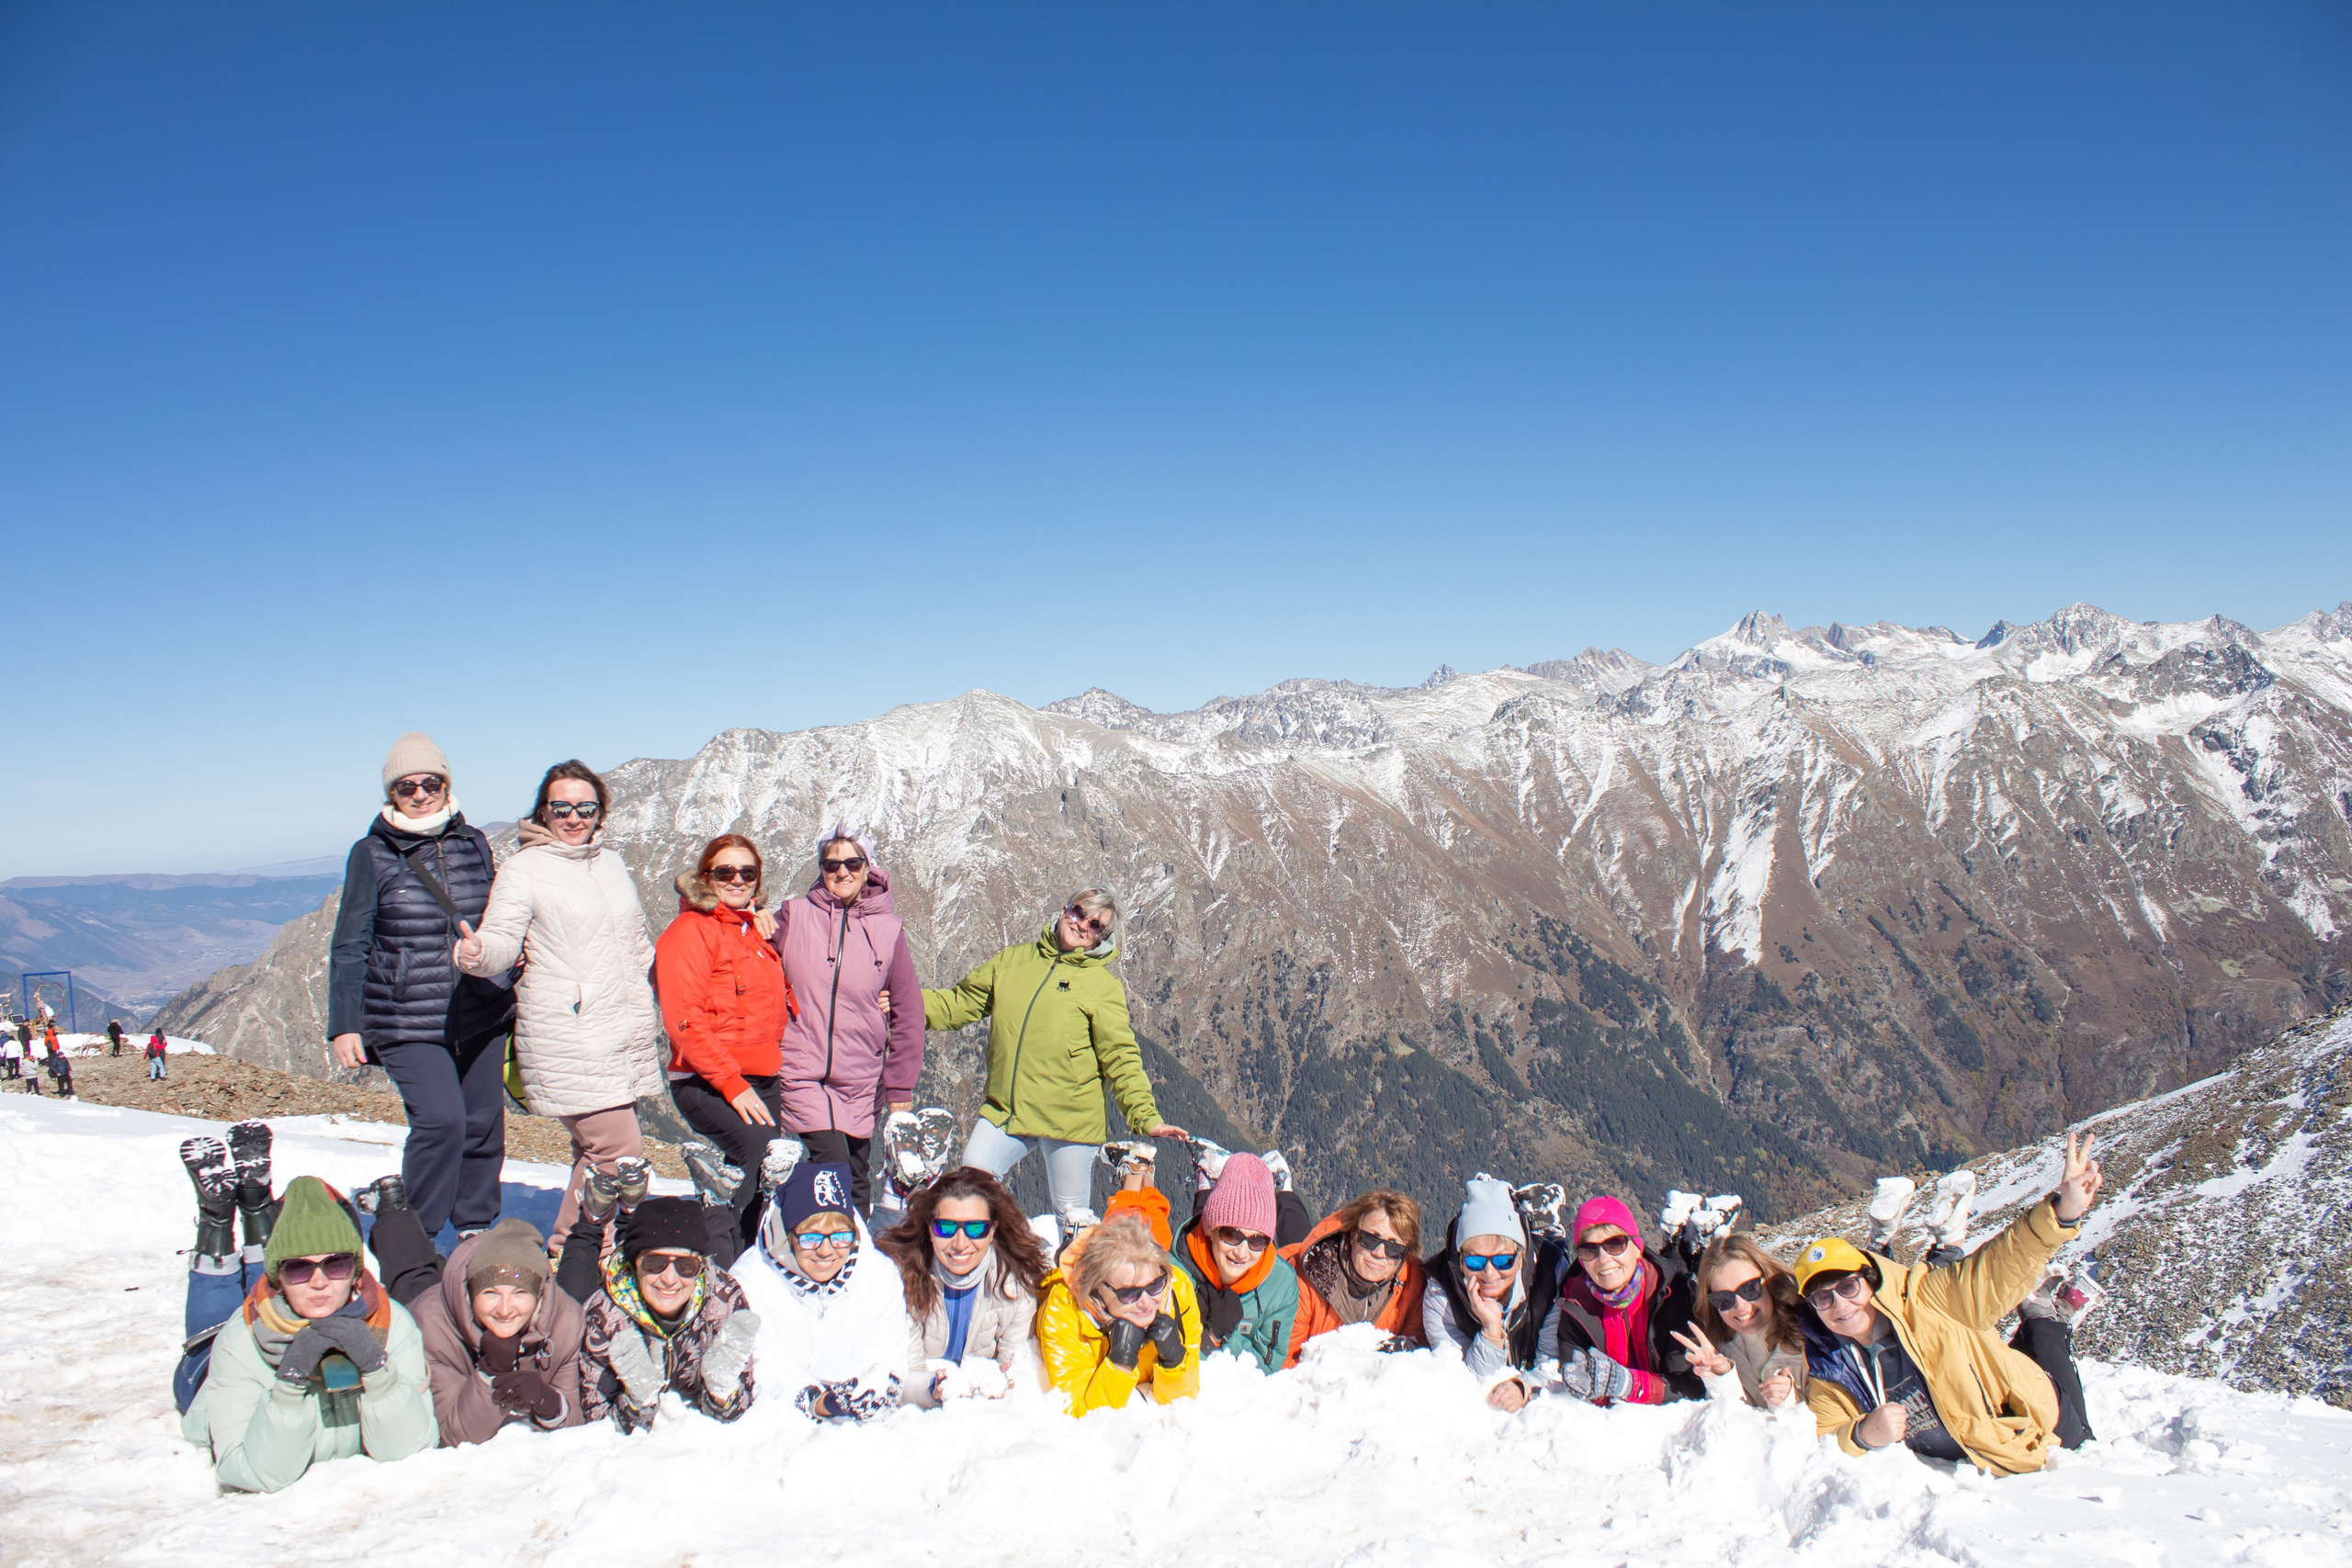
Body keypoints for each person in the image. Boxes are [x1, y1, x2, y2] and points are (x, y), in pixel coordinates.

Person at [1798, 1131, 2104, 1474]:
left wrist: (2063, 1212)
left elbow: (1998, 1265)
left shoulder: (1931, 1298)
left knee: (2087, 1447)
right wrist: (1862, 1433)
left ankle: (2046, 1320)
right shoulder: (1831, 1369)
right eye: (1821, 1298)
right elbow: (1826, 1433)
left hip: (2040, 1425)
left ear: (1871, 1283)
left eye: (1849, 1287)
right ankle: (2040, 1318)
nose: (1839, 1304)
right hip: (1972, 1456)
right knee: (2000, 1347)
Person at [457, 760, 662, 1255]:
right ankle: (575, 1251)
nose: (574, 818)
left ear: (600, 812)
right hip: (569, 1031)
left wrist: (677, 980)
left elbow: (635, 943)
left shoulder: (609, 863)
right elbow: (504, 935)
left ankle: (583, 1248)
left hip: (619, 1028)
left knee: (593, 1151)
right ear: (543, 812)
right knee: (618, 1148)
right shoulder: (527, 868)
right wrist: (479, 954)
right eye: (561, 807)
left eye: (585, 807)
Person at [327, 733, 517, 1243]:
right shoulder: (371, 853)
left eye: (429, 782)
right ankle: (417, 1235)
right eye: (405, 786)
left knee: (481, 1123)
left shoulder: (473, 842)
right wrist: (345, 1025)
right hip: (405, 1016)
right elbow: (351, 942)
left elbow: (498, 915)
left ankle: (475, 1226)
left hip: (480, 1007)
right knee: (441, 1121)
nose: (419, 793)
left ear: (445, 784)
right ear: (391, 793)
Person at [922, 888, 1185, 1218]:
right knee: (971, 1191)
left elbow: (1120, 1055)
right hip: (1007, 1111)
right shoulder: (1013, 961)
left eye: (1096, 926)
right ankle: (985, 1264)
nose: (1082, 926)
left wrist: (1146, 1116)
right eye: (1078, 913)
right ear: (1064, 910)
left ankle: (1075, 1270)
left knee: (1071, 1218)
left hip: (1070, 1121)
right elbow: (960, 1002)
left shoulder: (1101, 986)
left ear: (1102, 938)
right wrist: (905, 1004)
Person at [175, 1165, 435, 1493]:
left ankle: (256, 1209)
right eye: (298, 1268)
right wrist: (288, 1384)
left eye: (336, 1264)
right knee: (206, 1344)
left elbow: (411, 1452)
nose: (319, 1281)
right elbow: (256, 1474)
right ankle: (216, 1220)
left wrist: (377, 1370)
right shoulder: (238, 1343)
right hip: (203, 1377)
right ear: (278, 1279)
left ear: (355, 1272)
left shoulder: (391, 1324)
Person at [657, 834, 797, 1264]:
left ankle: (750, 1262)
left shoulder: (750, 932)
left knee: (771, 1173)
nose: (737, 879)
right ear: (706, 878)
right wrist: (732, 1084)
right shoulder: (688, 931)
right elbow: (684, 1018)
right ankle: (719, 1265)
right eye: (725, 872)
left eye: (747, 872)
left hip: (763, 1076)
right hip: (710, 1080)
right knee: (759, 1156)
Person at [772, 828, 924, 1218]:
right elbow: (751, 964)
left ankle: (854, 1262)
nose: (842, 872)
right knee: (834, 1166)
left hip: (861, 1078)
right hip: (802, 1070)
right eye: (831, 864)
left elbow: (908, 1009)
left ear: (868, 868)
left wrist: (900, 1084)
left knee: (856, 1177)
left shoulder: (888, 931)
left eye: (852, 863)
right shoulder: (793, 915)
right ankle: (822, 1251)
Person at [555, 1192, 761, 1431]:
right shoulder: (604, 1316)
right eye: (655, 1263)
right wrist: (637, 1401)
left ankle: (714, 1198)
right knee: (571, 1304)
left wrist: (721, 1391)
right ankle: (593, 1219)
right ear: (634, 1264)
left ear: (701, 1268)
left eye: (686, 1265)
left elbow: (744, 1408)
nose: (669, 1279)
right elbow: (595, 1417)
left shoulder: (724, 1301)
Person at [726, 1161, 911, 1421]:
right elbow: (764, 1373)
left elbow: (888, 1357)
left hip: (865, 1431)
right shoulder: (751, 1282)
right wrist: (819, 1401)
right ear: (788, 1235)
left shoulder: (878, 1275)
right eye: (811, 1237)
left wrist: (876, 1387)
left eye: (840, 1236)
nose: (826, 1251)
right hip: (780, 1431)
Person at [878, 1166, 1049, 1405]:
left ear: (992, 1231)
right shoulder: (902, 1279)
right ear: (929, 1229)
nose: (960, 1244)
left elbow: (1012, 1373)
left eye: (975, 1229)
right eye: (946, 1228)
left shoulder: (1016, 1290)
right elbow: (903, 1374)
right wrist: (933, 1390)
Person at [411, 1217, 589, 1444]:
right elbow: (450, 1436)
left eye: (520, 1293)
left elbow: (577, 1429)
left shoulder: (567, 1322)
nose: (504, 1310)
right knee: (411, 1276)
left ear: (539, 1294)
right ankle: (396, 1214)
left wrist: (551, 1404)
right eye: (490, 1293)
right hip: (430, 1309)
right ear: (471, 1293)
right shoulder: (429, 1327)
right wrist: (490, 1374)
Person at [1539, 1195, 1703, 1405]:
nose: (1603, 1258)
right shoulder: (1576, 1304)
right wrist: (1586, 1388)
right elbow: (1574, 1367)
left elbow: (1691, 1386)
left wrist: (1632, 1385)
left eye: (1615, 1244)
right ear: (1581, 1259)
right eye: (1589, 1249)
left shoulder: (1675, 1296)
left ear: (1637, 1247)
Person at [1037, 1205, 1202, 1413]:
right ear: (1095, 1288)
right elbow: (1078, 1415)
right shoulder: (1064, 1312)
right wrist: (1120, 1363)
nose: (1145, 1302)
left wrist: (1175, 1360)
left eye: (1154, 1286)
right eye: (1128, 1293)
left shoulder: (1177, 1290)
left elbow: (1185, 1402)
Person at [1422, 1175, 1565, 1410]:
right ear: (1460, 1259)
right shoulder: (1441, 1294)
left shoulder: (1551, 1277)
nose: (1489, 1273)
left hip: (1544, 1260)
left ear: (1520, 1256)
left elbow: (1554, 1364)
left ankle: (1544, 1223)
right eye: (1475, 1261)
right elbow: (1464, 1382)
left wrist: (1524, 1387)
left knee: (1555, 1244)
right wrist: (1491, 1332)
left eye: (1503, 1260)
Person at [1173, 1153, 1300, 1374]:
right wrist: (1211, 1336)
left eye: (1257, 1240)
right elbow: (1165, 1361)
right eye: (1231, 1234)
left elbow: (1267, 1368)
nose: (1242, 1252)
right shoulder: (1173, 1274)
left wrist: (1225, 1337)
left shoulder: (1281, 1284)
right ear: (1211, 1230)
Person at [1281, 1190, 1429, 1367]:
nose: (1379, 1253)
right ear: (1352, 1235)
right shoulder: (1304, 1278)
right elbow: (1286, 1364)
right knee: (1294, 1233)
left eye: (1394, 1248)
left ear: (1406, 1254)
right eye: (1370, 1239)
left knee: (1298, 1231)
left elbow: (1419, 1349)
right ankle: (1283, 1193)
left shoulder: (1413, 1283)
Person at [1673, 1232, 1808, 1409]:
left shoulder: (1809, 1339)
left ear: (1769, 1280)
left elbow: (1834, 1423)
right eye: (1723, 1299)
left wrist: (1793, 1400)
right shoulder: (1721, 1355)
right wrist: (1722, 1379)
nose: (1740, 1305)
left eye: (1749, 1289)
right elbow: (1737, 1427)